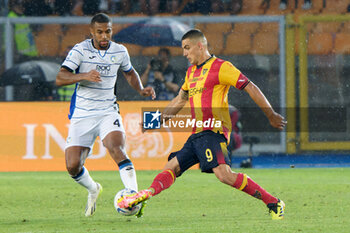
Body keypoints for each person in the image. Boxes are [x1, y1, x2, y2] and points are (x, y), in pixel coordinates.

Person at [118, 29, 287, 220]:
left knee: (224, 175)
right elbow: (179, 101)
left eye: (187, 48)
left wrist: (270, 113)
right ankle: (145, 195)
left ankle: (274, 202)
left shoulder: (222, 67)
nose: (184, 53)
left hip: (213, 131)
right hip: (197, 134)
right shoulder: (191, 73)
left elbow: (250, 87)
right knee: (171, 167)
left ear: (200, 46)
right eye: (183, 49)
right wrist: (155, 120)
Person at [55, 13, 155, 217]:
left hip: (108, 111)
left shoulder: (120, 51)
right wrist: (84, 75)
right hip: (82, 114)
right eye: (99, 32)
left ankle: (133, 197)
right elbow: (60, 77)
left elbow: (129, 72)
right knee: (73, 165)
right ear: (91, 32)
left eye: (107, 31)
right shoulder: (80, 50)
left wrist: (141, 89)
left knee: (116, 147)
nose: (104, 36)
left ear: (112, 30)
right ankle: (93, 189)